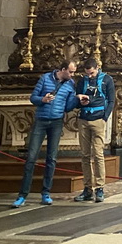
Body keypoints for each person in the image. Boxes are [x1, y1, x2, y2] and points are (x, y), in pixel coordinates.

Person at [11, 60, 78, 208]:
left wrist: (77, 100)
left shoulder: (70, 84)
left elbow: (67, 107)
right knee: (31, 157)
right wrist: (43, 99)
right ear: (63, 69)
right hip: (41, 121)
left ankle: (46, 192)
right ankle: (22, 195)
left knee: (52, 158)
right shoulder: (45, 78)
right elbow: (33, 97)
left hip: (56, 122)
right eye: (71, 72)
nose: (73, 75)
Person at [74, 58, 115, 203]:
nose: (89, 76)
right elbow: (76, 99)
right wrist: (80, 100)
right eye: (87, 74)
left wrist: (105, 117)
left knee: (98, 154)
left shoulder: (107, 80)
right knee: (85, 155)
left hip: (98, 119)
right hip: (84, 119)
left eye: (91, 73)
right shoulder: (82, 81)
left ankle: (99, 188)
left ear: (97, 68)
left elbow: (111, 100)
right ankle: (87, 189)